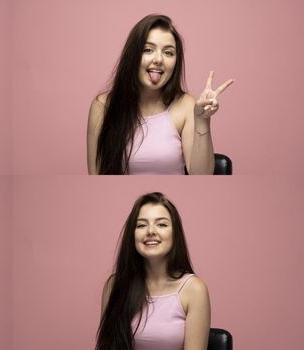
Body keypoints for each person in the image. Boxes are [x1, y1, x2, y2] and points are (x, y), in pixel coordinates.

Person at [87, 14, 234, 175]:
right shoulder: (102, 106)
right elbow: (96, 174)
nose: (158, 59)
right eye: (148, 50)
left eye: (168, 53)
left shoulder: (186, 106)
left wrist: (202, 120)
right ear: (133, 55)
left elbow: (202, 177)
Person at [96, 192, 210, 350]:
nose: (150, 231)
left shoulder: (194, 290)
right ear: (132, 235)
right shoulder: (114, 285)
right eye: (141, 225)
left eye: (162, 224)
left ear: (175, 234)